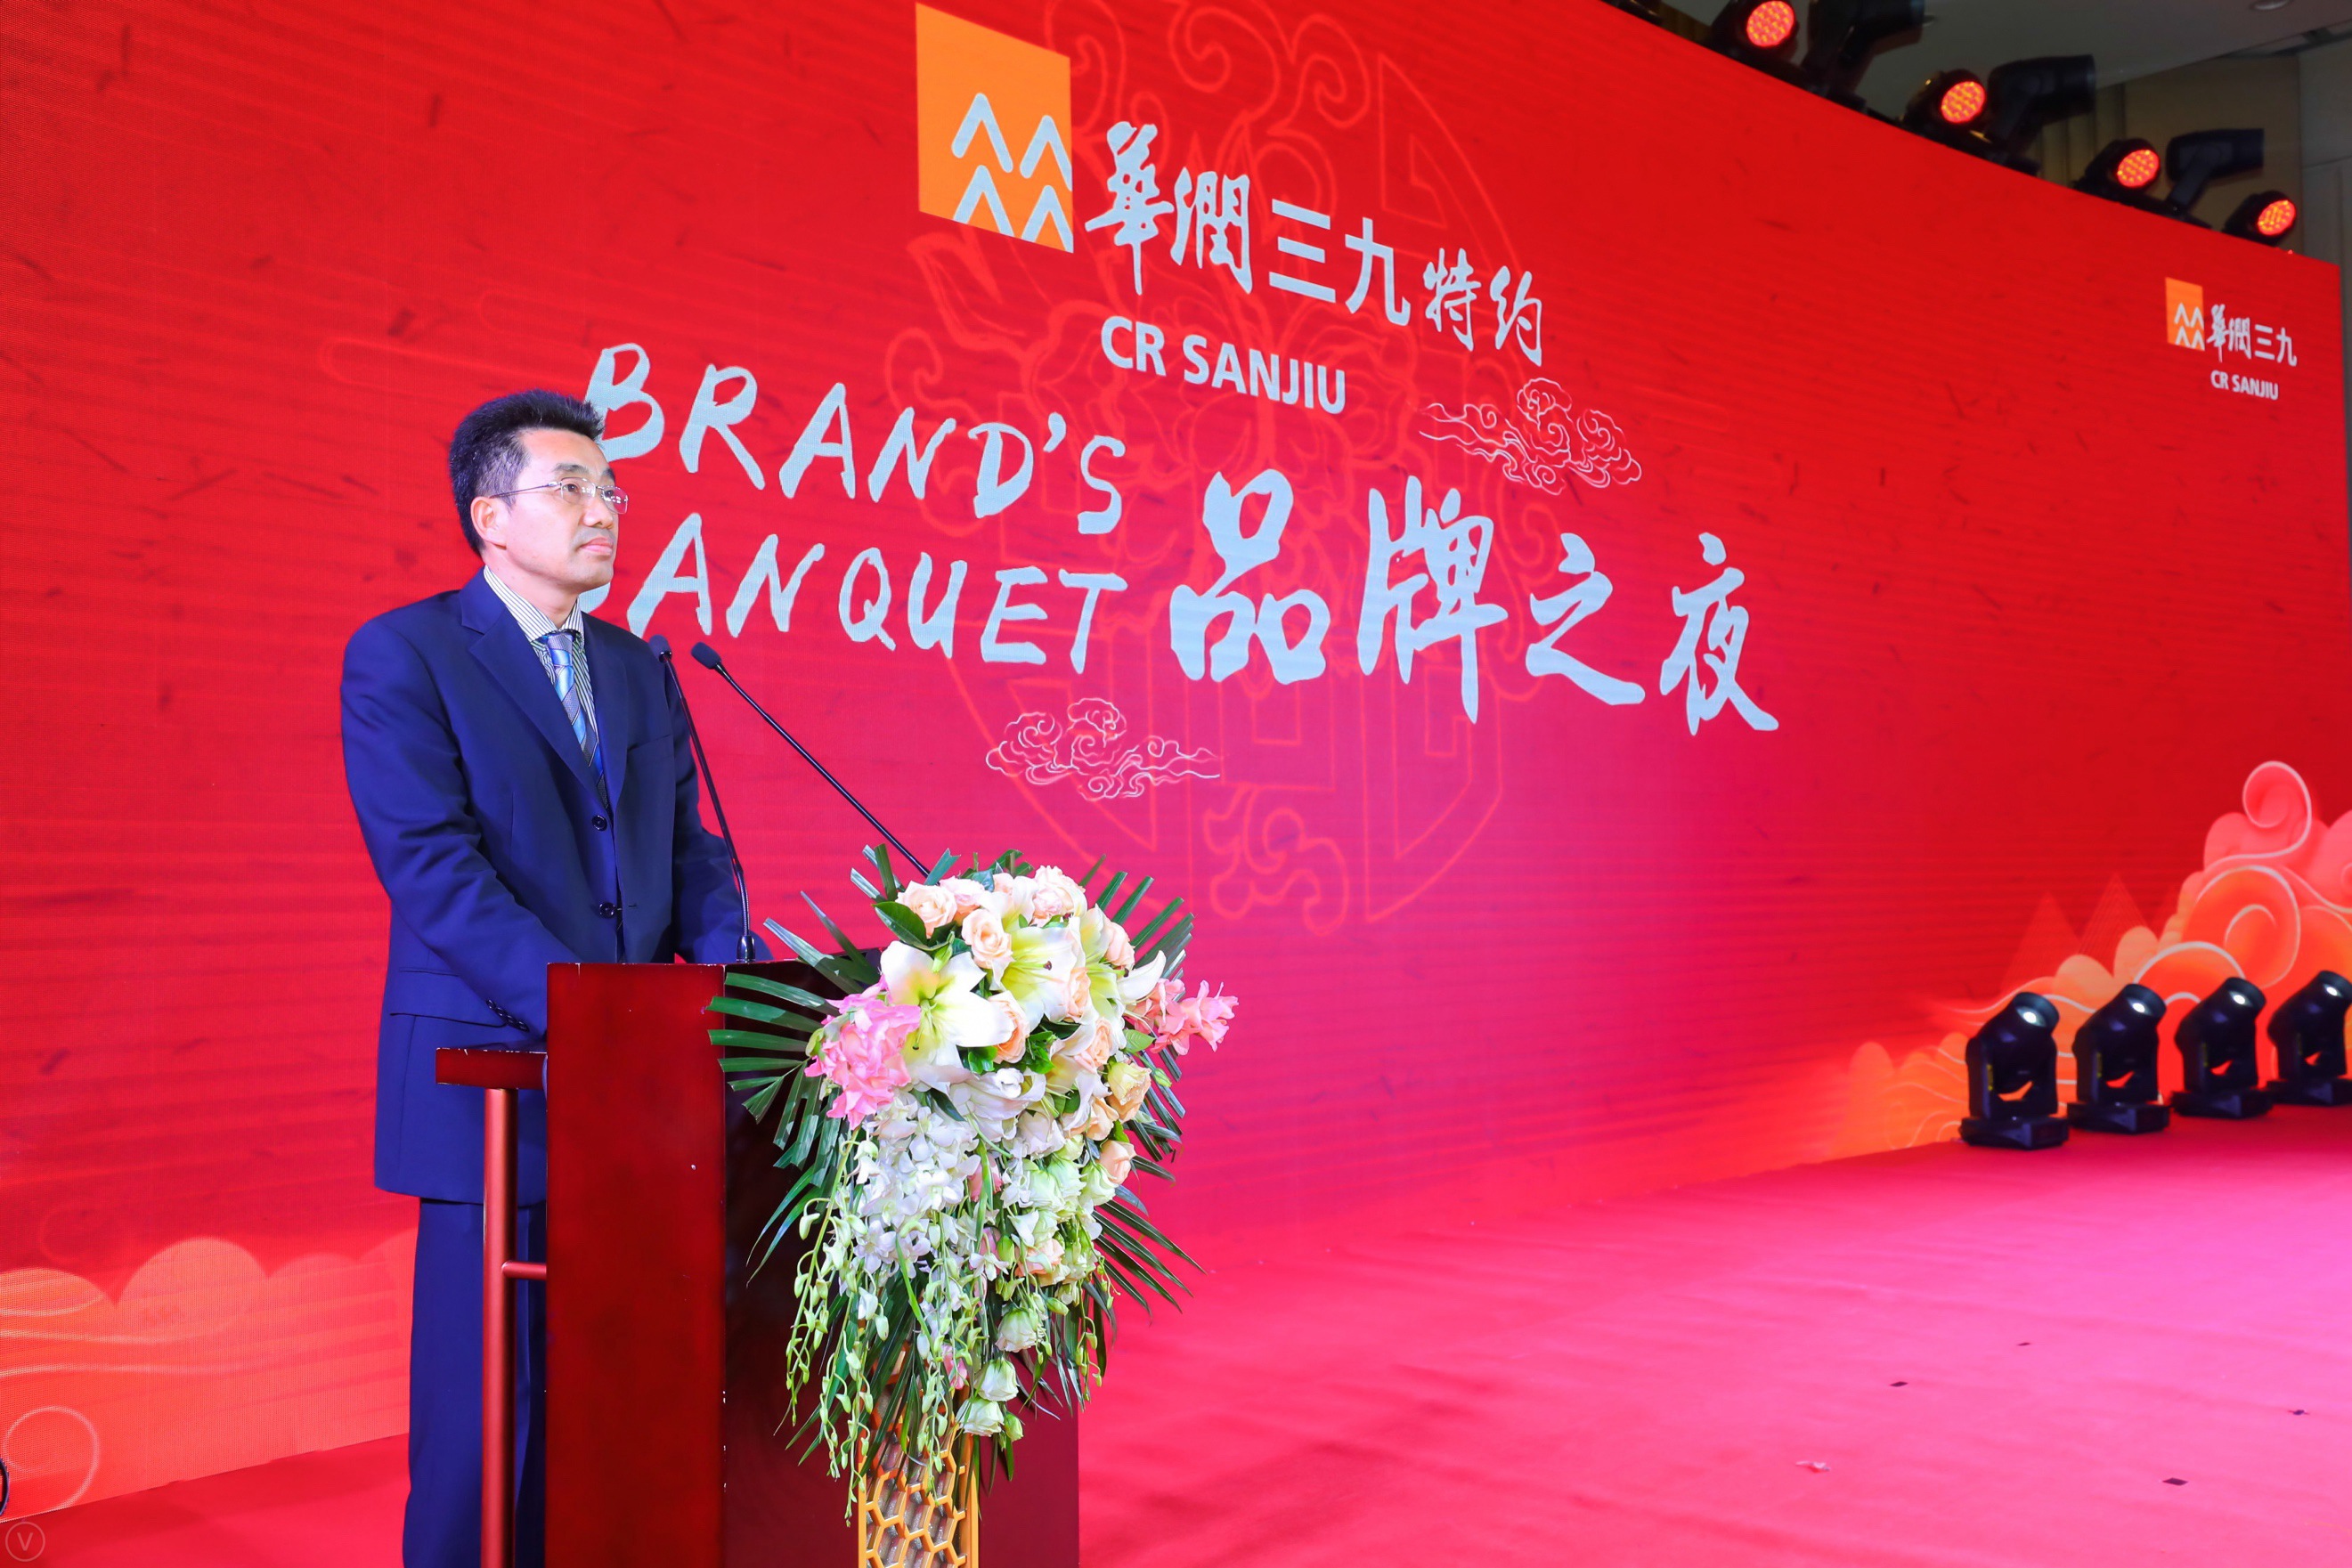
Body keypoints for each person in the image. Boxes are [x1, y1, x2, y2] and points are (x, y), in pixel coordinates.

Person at [340, 389, 750, 1565]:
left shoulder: (638, 664)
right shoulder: (408, 653)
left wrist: (733, 990)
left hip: (639, 1093)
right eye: (570, 487)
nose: (603, 510)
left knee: (615, 1400)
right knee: (487, 1416)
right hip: (496, 1083)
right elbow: (435, 871)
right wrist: (593, 1014)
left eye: (610, 488)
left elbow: (689, 852)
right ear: (489, 515)